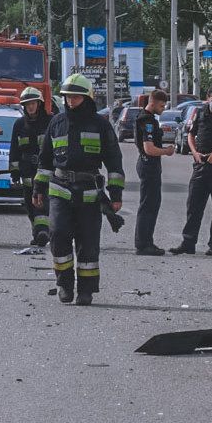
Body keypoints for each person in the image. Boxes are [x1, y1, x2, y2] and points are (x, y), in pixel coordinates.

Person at [33, 73, 126, 305]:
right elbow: (45, 161)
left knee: (88, 242)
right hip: (59, 188)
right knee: (58, 235)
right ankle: (64, 284)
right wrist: (38, 188)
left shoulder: (101, 125)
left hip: (89, 192)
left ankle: (86, 290)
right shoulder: (56, 123)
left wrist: (116, 195)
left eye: (76, 97)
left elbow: (114, 162)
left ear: (87, 98)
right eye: (67, 97)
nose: (70, 101)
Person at [170, 87, 212, 256]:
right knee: (193, 205)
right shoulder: (200, 113)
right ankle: (188, 242)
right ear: (207, 98)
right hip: (200, 165)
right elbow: (190, 135)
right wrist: (194, 152)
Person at [133, 90, 175, 256]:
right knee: (149, 205)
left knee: (151, 203)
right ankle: (144, 244)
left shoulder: (148, 118)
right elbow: (149, 149)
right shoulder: (147, 121)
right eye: (162, 105)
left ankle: (145, 241)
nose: (163, 109)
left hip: (148, 164)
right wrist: (167, 151)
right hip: (148, 164)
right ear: (153, 103)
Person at [10, 87, 52, 247]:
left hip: (46, 169)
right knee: (29, 203)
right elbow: (14, 150)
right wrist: (14, 173)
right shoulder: (19, 124)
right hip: (27, 170)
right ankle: (38, 233)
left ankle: (43, 231)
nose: (31, 107)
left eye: (33, 103)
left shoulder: (50, 122)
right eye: (27, 104)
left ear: (39, 103)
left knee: (43, 201)